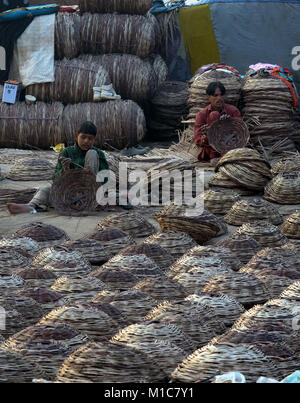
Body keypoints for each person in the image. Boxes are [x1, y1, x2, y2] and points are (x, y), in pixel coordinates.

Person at [7, 121, 109, 214]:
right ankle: (31, 206)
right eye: (83, 137)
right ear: (76, 136)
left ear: (94, 140)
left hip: (91, 192)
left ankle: (90, 200)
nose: (86, 141)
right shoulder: (66, 152)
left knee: (92, 153)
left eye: (90, 139)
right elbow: (56, 179)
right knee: (45, 189)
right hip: (70, 194)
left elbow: (106, 177)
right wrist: (65, 170)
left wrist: (103, 194)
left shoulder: (98, 153)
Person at [194, 81, 242, 163]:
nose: (219, 98)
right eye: (215, 95)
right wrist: (206, 136)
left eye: (221, 95)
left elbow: (241, 132)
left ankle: (225, 157)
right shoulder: (201, 114)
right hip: (211, 151)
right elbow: (198, 140)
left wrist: (229, 124)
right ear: (208, 97)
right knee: (214, 115)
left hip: (230, 147)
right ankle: (217, 157)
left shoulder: (233, 111)